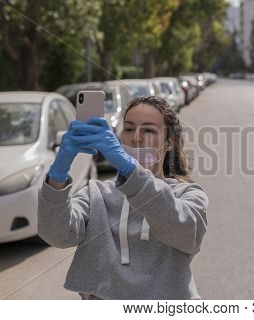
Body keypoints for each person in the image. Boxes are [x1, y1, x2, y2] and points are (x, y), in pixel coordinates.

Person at [37, 96, 208, 300]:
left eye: (149, 130)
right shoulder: (96, 193)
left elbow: (186, 234)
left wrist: (131, 171)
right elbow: (56, 236)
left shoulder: (188, 195)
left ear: (169, 142)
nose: (136, 137)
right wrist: (58, 173)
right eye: (128, 129)